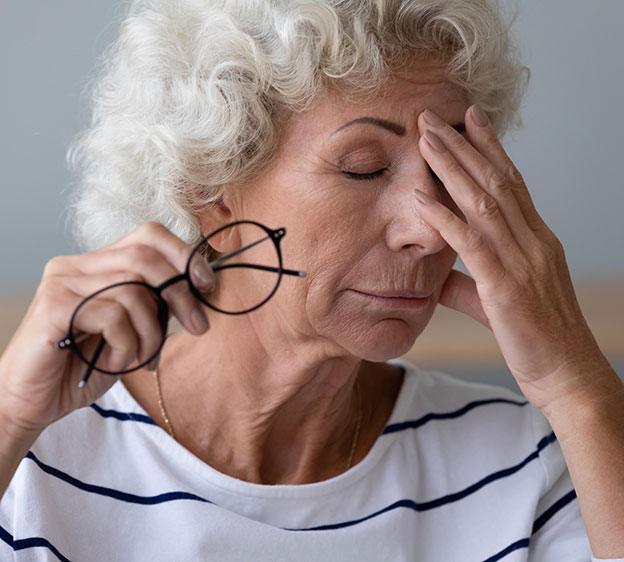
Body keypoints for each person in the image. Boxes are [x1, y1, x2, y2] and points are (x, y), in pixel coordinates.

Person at [0, 0, 623, 560]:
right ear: (210, 186)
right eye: (365, 168)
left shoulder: (521, 465)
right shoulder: (33, 459)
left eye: (449, 172)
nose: (431, 233)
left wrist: (578, 387)